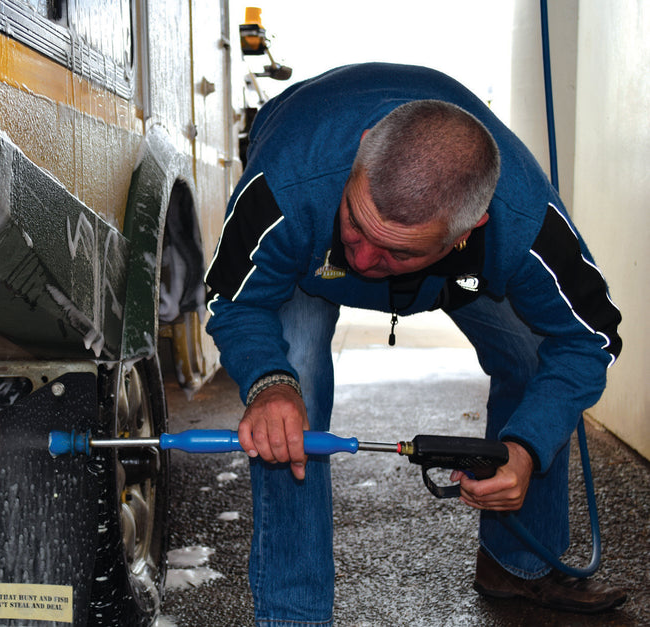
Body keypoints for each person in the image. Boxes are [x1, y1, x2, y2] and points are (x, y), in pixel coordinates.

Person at [204, 62, 625, 626]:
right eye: (357, 225)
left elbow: (589, 337)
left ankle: (518, 564)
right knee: (290, 388)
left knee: (532, 360)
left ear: (471, 226)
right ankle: (293, 613)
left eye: (397, 252)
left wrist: (524, 448)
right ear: (362, 151)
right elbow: (234, 298)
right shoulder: (287, 182)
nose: (364, 261)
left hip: (453, 277)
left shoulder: (522, 220)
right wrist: (268, 382)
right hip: (306, 260)